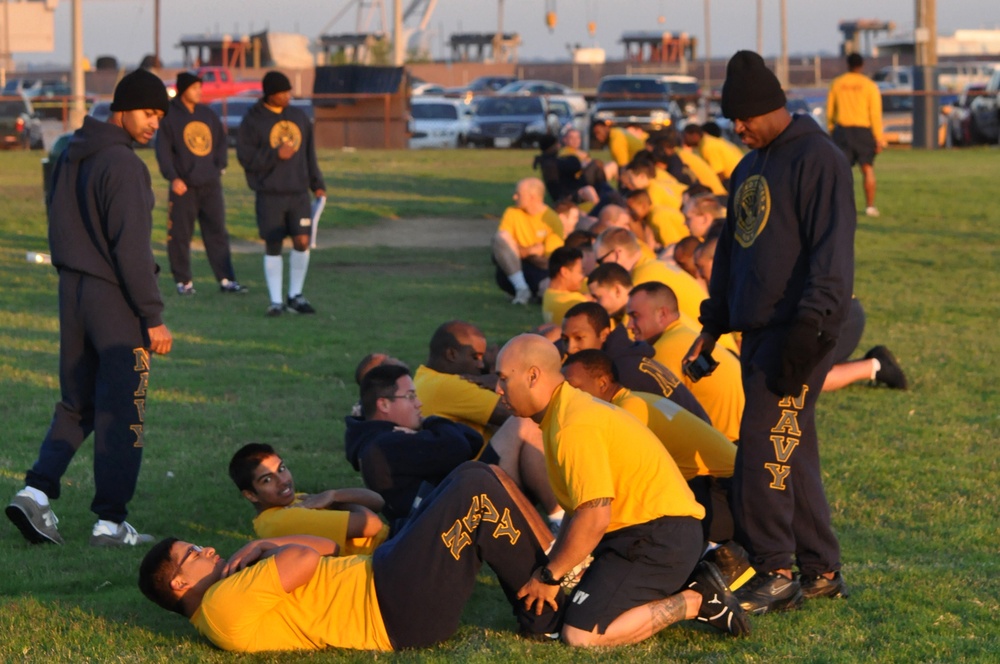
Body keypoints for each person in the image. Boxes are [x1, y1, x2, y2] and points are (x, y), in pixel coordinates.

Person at [684, 51, 855, 615]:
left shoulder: (819, 159)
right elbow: (733, 255)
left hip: (801, 331)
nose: (735, 128)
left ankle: (776, 568)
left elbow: (832, 256)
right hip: (755, 334)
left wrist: (808, 332)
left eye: (742, 118)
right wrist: (711, 328)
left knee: (763, 450)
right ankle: (820, 570)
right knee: (791, 448)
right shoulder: (747, 168)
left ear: (770, 107)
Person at [139, 462, 566, 652]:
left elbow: (325, 549)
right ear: (179, 583)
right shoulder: (221, 605)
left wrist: (269, 552)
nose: (207, 548)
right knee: (473, 492)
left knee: (471, 475)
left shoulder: (230, 590)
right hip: (392, 609)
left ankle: (552, 566)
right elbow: (306, 560)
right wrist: (261, 546)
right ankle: (544, 617)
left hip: (383, 576)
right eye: (192, 553)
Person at [5, 69, 173, 547]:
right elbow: (132, 250)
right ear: (121, 109)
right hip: (113, 299)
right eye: (147, 113)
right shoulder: (124, 164)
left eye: (160, 115)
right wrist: (153, 315)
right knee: (124, 412)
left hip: (72, 292)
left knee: (76, 403)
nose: (154, 123)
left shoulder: (70, 153)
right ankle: (110, 523)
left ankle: (35, 492)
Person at [494, 334, 749, 646]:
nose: (498, 389)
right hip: (639, 534)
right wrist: (560, 565)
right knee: (576, 612)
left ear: (533, 376)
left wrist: (550, 576)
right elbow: (580, 511)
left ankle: (697, 600)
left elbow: (595, 516)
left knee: (581, 635)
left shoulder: (573, 424)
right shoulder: (561, 416)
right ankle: (688, 578)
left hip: (659, 537)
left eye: (504, 378)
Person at [561, 349, 742, 550]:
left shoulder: (627, 412)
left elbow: (610, 486)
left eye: (574, 389)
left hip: (724, 496)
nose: (566, 398)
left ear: (602, 383)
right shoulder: (636, 399)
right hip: (730, 486)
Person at [411, 322, 563, 526]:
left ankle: (558, 523)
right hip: (469, 485)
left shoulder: (424, 378)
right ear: (452, 354)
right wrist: (502, 380)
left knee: (525, 438)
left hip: (464, 480)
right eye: (475, 357)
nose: (480, 366)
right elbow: (522, 408)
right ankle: (559, 521)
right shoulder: (449, 386)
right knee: (525, 425)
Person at [237, 71, 325, 317]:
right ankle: (276, 301)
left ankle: (295, 295)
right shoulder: (253, 120)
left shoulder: (298, 117)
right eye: (282, 93)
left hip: (298, 192)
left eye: (288, 92)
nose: (287, 96)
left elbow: (309, 155)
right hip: (270, 193)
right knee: (273, 243)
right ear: (269, 94)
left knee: (302, 241)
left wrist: (317, 183)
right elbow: (245, 158)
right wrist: (275, 155)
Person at [155, 71, 246, 296]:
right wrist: (173, 177)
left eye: (199, 87)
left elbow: (221, 142)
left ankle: (226, 279)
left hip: (209, 184)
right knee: (179, 235)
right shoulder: (170, 117)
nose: (199, 92)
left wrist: (219, 167)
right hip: (183, 186)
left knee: (217, 232)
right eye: (194, 88)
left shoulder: (207, 114)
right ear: (184, 89)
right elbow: (163, 152)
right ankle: (183, 282)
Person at [628, 282, 745, 443]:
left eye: (635, 316)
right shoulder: (685, 334)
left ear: (662, 314)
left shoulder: (664, 350)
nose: (629, 325)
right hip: (743, 435)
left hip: (725, 447)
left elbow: (663, 416)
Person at [561, 302, 711, 424]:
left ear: (604, 335)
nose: (570, 348)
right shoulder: (626, 357)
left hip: (696, 456)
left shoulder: (621, 372)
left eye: (579, 338)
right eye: (565, 340)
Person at [228, 443, 388, 555]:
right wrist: (337, 501)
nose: (282, 480)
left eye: (281, 469)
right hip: (386, 554)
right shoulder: (282, 519)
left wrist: (333, 495)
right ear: (250, 495)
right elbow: (372, 525)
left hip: (394, 541)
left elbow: (378, 501)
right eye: (267, 480)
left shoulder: (291, 500)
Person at [827, 52, 884, 217]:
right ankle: (870, 206)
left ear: (848, 64)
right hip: (863, 131)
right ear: (862, 65)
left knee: (841, 171)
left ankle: (840, 206)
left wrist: (832, 129)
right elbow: (875, 113)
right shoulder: (869, 85)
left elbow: (830, 110)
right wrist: (878, 138)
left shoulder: (837, 83)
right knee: (867, 169)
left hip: (842, 131)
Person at [492, 177, 564, 304]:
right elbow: (501, 245)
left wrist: (516, 251)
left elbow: (548, 261)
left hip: (539, 270)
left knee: (547, 288)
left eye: (518, 194)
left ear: (532, 197)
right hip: (513, 270)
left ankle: (533, 294)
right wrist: (532, 251)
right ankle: (521, 288)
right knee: (500, 237)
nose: (514, 197)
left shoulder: (552, 220)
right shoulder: (512, 213)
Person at [681, 123, 744, 190]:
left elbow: (719, 174)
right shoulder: (708, 140)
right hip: (739, 175)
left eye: (685, 137)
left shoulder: (707, 146)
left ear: (694, 135)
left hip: (735, 179)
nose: (684, 140)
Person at [541, 246, 591, 325]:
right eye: (581, 271)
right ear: (565, 272)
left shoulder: (549, 293)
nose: (583, 276)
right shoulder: (573, 302)